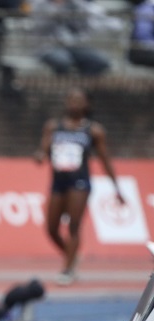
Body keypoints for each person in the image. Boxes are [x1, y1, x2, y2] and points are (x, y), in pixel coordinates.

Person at [34, 88, 122, 285]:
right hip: (58, 182)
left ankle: (67, 269)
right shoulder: (53, 127)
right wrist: (40, 155)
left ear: (87, 104)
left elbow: (104, 159)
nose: (74, 103)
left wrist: (116, 187)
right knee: (51, 228)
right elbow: (43, 149)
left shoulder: (93, 130)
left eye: (78, 100)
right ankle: (71, 256)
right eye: (71, 99)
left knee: (73, 225)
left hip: (79, 183)